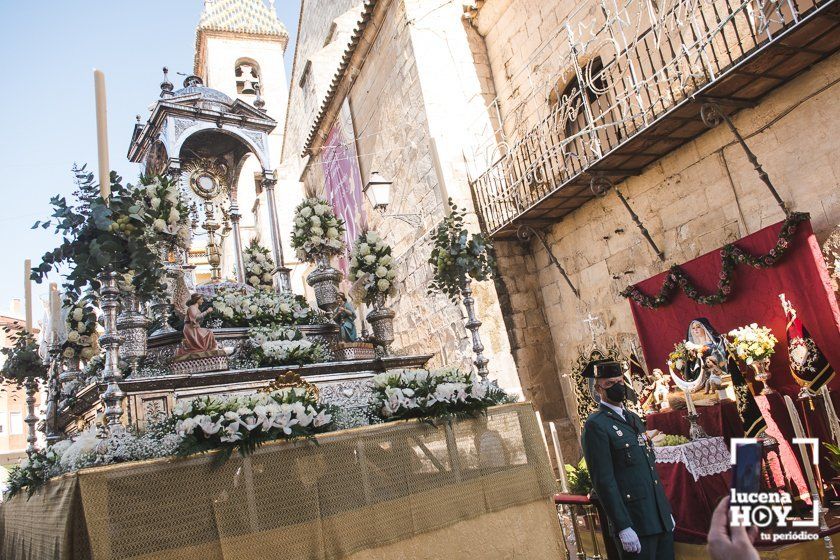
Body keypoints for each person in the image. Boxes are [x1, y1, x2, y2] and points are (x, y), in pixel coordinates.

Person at [581, 359, 675, 559]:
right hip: (635, 523)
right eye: (610, 384)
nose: (618, 387)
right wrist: (623, 526)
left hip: (658, 518)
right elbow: (604, 481)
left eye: (620, 381)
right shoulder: (596, 425)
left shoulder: (632, 418)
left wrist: (665, 513)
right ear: (599, 389)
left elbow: (649, 470)